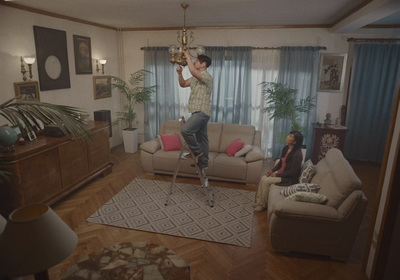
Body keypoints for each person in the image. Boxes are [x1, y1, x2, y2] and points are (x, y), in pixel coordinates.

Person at [176, 51, 212, 172]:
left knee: (185, 130)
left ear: (203, 64)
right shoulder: (195, 78)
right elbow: (182, 84)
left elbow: (192, 71)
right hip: (197, 111)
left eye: (196, 61)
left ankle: (197, 153)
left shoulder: (206, 76)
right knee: (203, 139)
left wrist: (187, 56)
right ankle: (203, 163)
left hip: (202, 111)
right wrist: (180, 73)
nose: (194, 62)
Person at [253, 131, 304, 212]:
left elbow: (292, 172)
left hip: (288, 178)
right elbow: (280, 162)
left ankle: (263, 205)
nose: (287, 136)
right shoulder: (286, 148)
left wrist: (277, 175)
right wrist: (272, 170)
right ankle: (259, 201)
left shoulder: (297, 154)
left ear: (295, 142)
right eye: (289, 135)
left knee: (266, 181)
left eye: (290, 136)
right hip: (281, 173)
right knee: (263, 178)